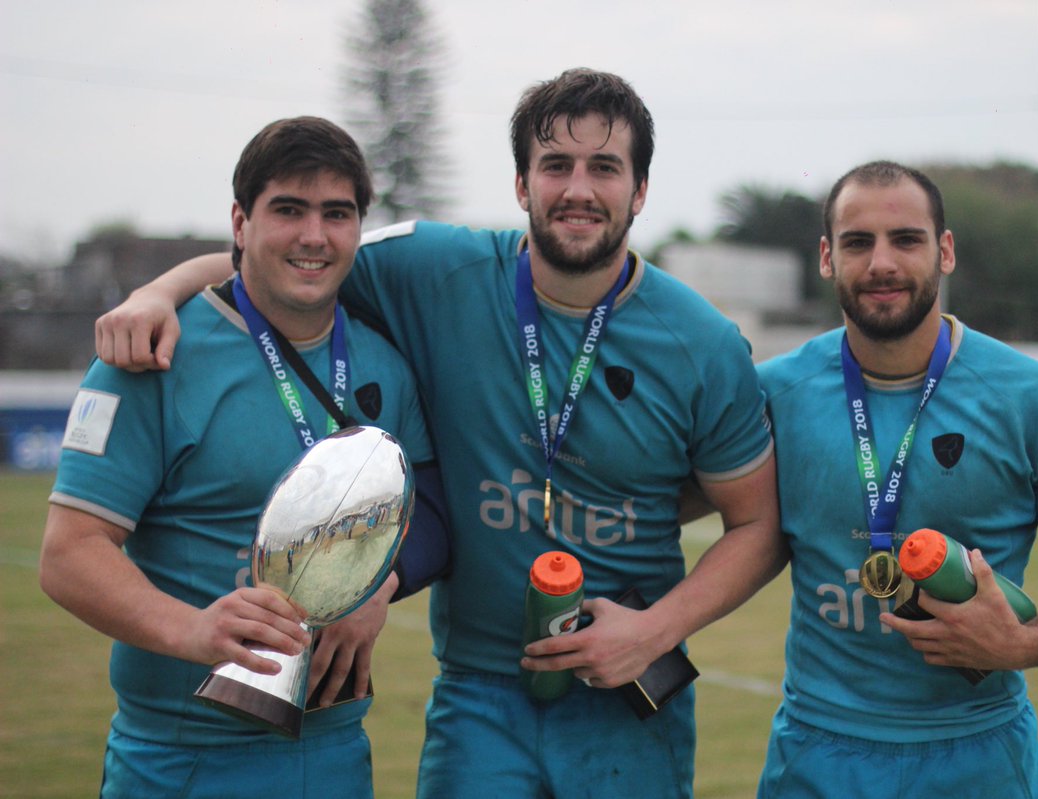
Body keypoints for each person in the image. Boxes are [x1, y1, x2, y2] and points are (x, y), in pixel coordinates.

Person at [92, 68, 785, 798]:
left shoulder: (703, 341)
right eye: (555, 165)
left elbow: (757, 524)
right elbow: (285, 259)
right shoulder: (429, 269)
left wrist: (654, 630)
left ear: (640, 191)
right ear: (522, 184)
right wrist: (159, 290)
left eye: (605, 168)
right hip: (478, 693)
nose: (578, 189)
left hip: (625, 690)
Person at [40, 116, 439, 798]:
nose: (313, 235)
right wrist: (196, 630)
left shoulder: (384, 359)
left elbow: (429, 508)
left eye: (335, 214)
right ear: (240, 220)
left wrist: (380, 586)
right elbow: (70, 553)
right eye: (288, 209)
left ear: (357, 230)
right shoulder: (154, 354)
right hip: (181, 754)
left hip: (334, 749)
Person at [754, 160, 1038, 798]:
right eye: (857, 242)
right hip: (818, 752)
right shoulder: (774, 393)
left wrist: (1025, 643)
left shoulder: (1035, 397)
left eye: (906, 239)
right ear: (826, 257)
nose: (882, 262)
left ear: (946, 250)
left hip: (978, 752)